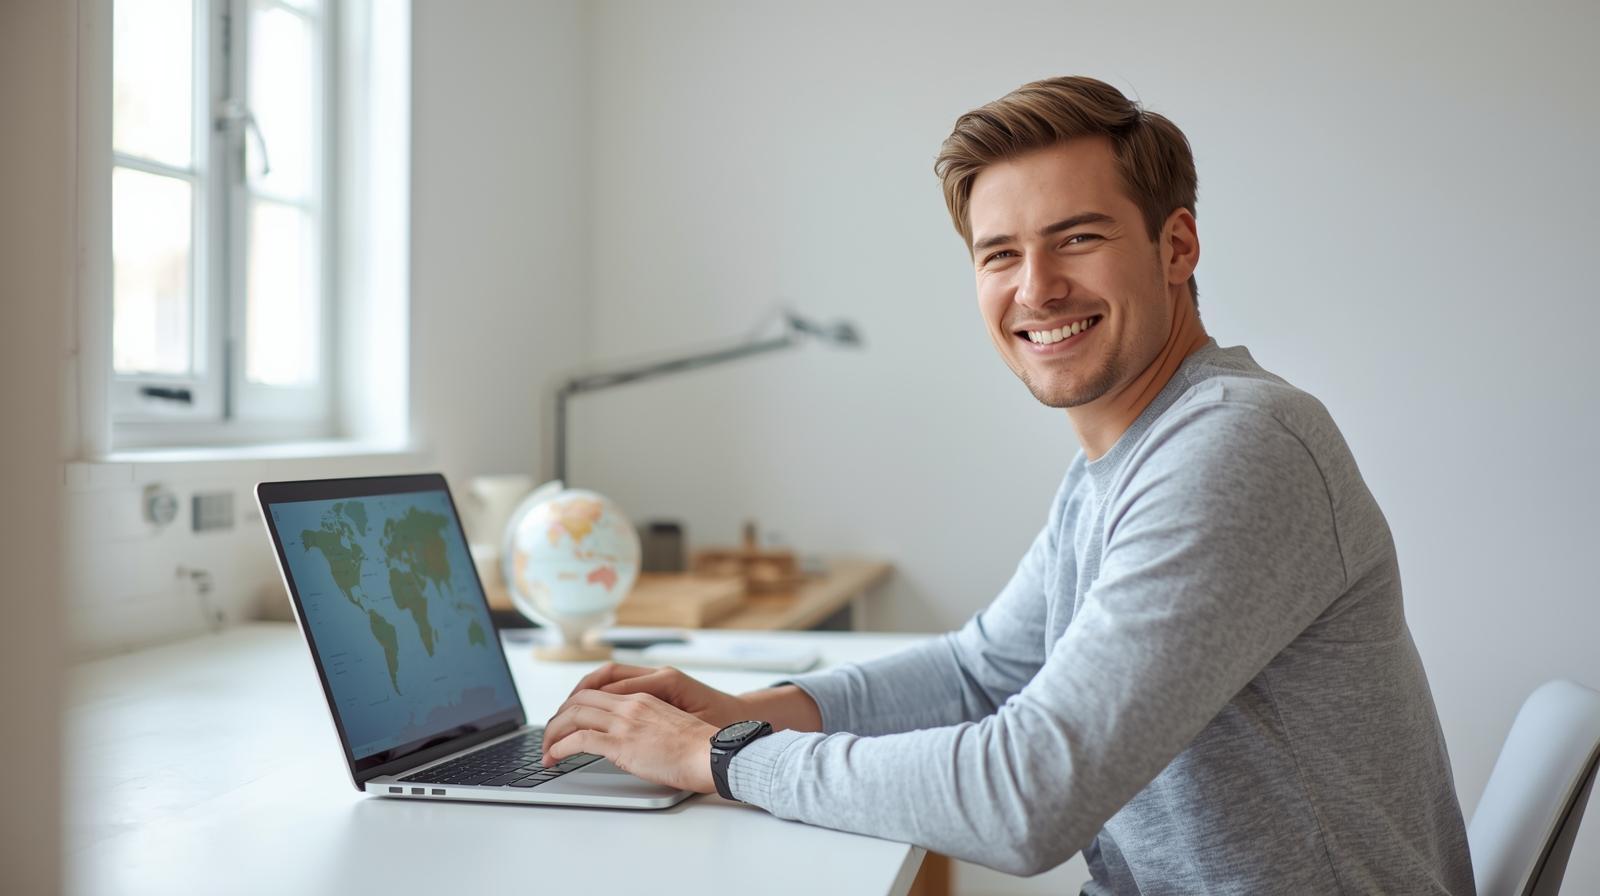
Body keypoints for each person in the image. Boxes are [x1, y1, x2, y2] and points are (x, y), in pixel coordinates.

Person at [539, 76, 1475, 895]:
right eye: (999, 254)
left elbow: (1028, 797)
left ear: (1177, 246)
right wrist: (749, 711)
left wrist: (720, 758)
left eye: (1077, 238)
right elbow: (981, 672)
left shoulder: (1238, 445)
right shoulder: (1121, 460)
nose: (1036, 288)